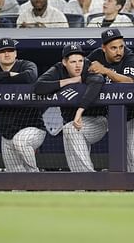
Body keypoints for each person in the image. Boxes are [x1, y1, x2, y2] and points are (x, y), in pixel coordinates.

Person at [87, 28, 134, 171]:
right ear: (103, 48)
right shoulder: (96, 56)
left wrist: (105, 70)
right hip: (116, 115)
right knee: (123, 156)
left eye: (121, 47)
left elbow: (128, 82)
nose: (118, 52)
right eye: (113, 48)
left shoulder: (130, 57)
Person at [0, 38, 46, 172]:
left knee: (20, 141)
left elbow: (29, 77)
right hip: (6, 134)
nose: (7, 54)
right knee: (14, 176)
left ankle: (35, 175)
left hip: (33, 128)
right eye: (2, 51)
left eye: (10, 51)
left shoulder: (26, 65)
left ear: (16, 53)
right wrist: (7, 74)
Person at [34, 43, 107, 172]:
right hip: (71, 122)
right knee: (71, 139)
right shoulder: (58, 69)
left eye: (80, 60)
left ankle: (90, 179)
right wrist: (70, 81)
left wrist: (80, 111)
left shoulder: (88, 66)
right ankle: (81, 186)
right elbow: (39, 87)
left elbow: (98, 80)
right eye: (73, 62)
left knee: (70, 129)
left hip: (96, 121)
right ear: (64, 62)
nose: (78, 65)